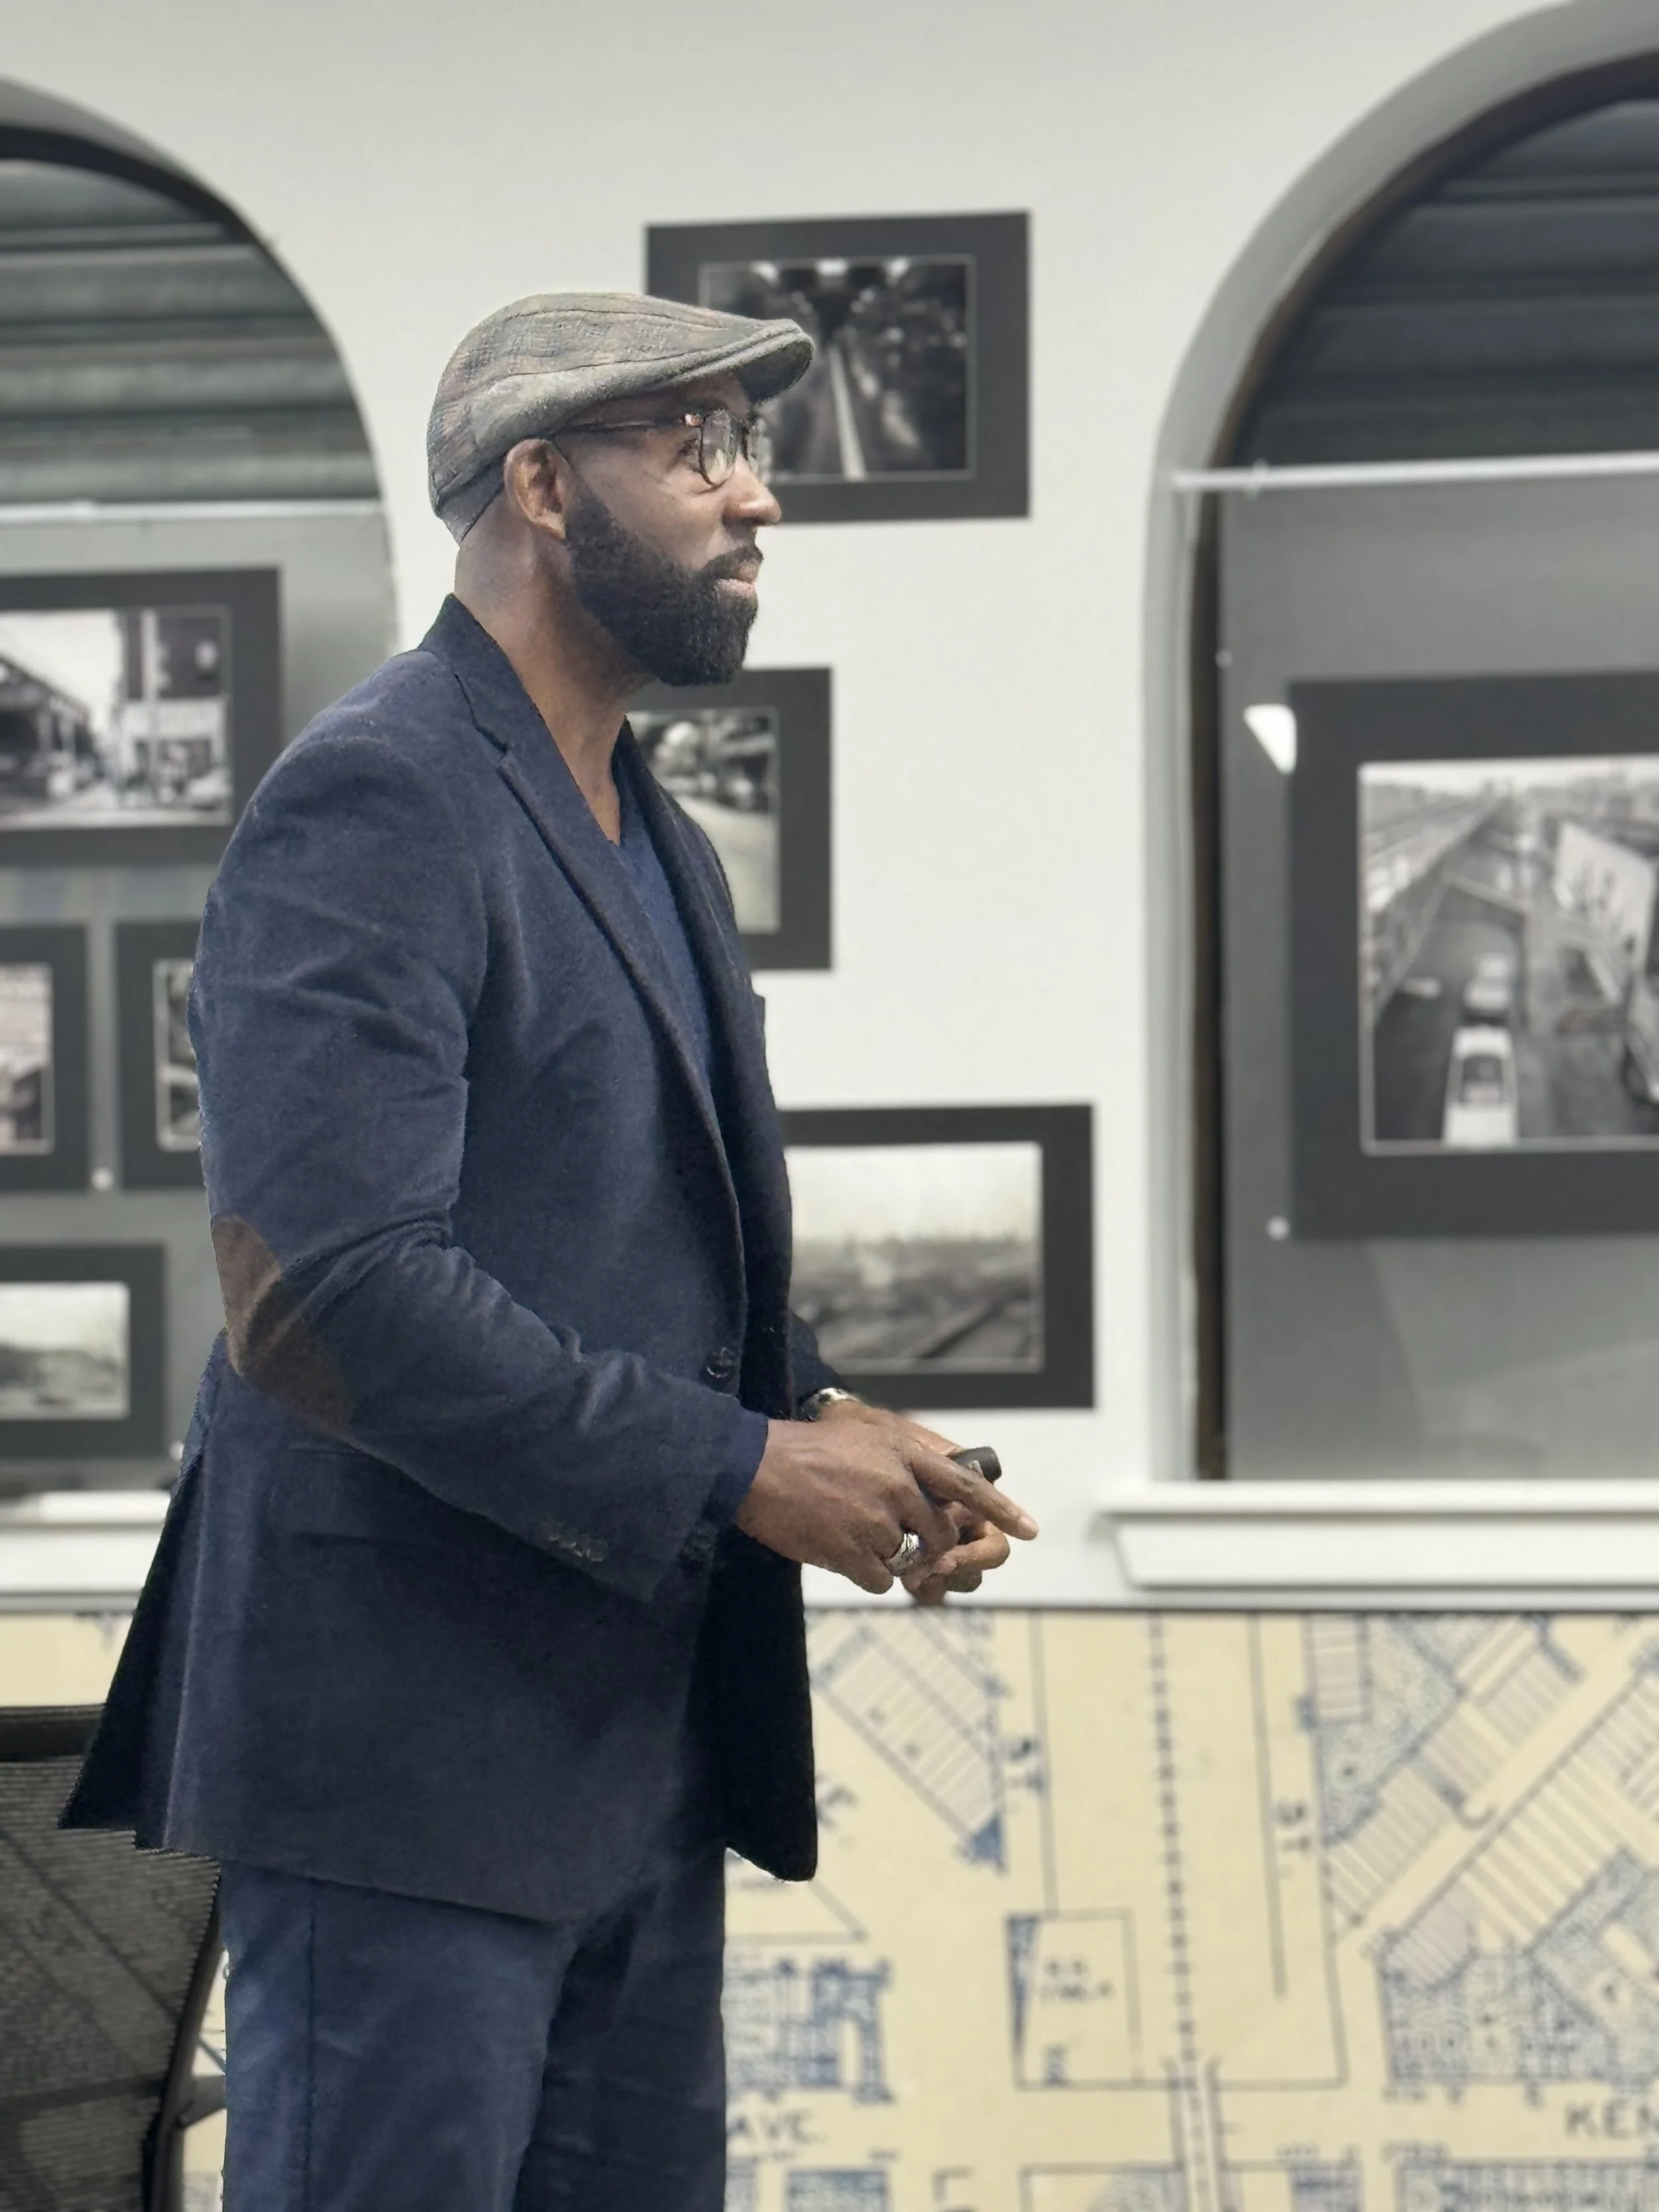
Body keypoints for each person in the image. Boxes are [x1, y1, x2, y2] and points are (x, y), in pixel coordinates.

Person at [64, 290, 1037, 2212]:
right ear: (536, 486)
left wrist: (823, 1410)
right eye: (693, 448)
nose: (753, 498)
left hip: (625, 1766)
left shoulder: (648, 832)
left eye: (743, 450)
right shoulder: (377, 795)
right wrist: (753, 1470)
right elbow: (330, 1296)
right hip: (402, 1770)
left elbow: (608, 1239)